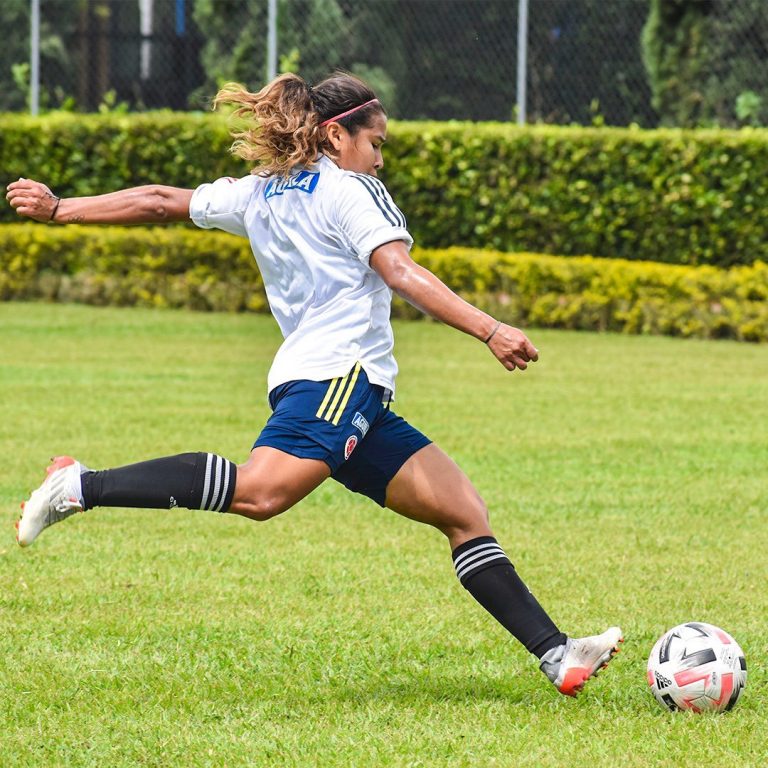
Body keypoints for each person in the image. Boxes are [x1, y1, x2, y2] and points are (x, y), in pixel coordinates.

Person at [6, 71, 622, 697]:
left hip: (349, 391)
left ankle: (556, 654)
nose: (380, 159)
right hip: (338, 376)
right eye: (375, 142)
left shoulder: (261, 191)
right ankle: (80, 486)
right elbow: (401, 273)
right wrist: (490, 329)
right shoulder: (351, 191)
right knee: (261, 493)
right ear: (336, 133)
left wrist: (63, 209)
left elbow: (164, 199)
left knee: (463, 512)